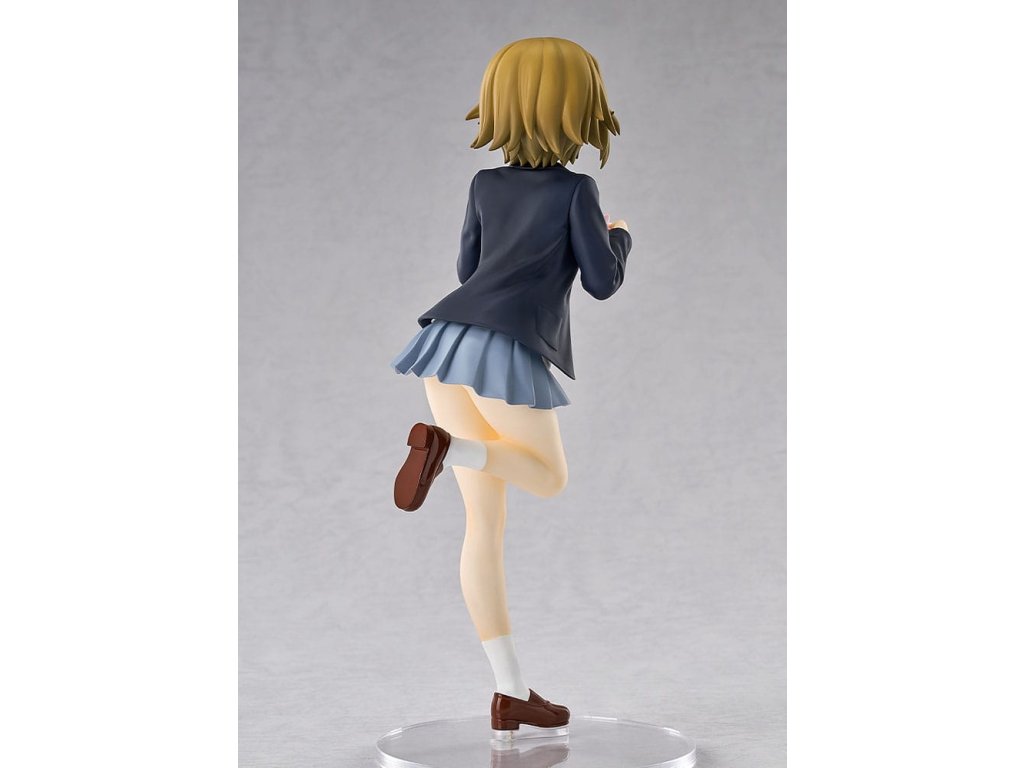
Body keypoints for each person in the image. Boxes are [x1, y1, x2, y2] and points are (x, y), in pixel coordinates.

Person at [390, 36, 633, 738]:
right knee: (548, 477)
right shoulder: (576, 191)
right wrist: (618, 236)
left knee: (484, 527)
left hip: (443, 343)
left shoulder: (484, 185)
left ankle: (510, 691)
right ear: (577, 109)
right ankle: (450, 450)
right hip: (503, 349)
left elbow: (468, 270)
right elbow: (602, 282)